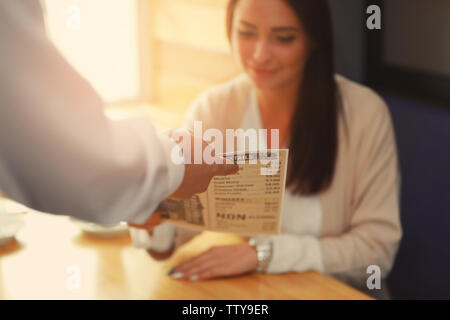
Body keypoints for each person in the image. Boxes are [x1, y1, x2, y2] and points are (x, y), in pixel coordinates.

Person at [130, 0, 402, 297]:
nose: (260, 55)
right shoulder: (214, 109)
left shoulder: (365, 115)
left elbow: (377, 250)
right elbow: (184, 223)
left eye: (283, 38)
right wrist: (150, 216)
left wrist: (263, 253)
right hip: (256, 293)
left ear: (313, 39)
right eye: (246, 33)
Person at [0, 1, 238, 226]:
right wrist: (171, 166)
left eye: (278, 37)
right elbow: (49, 139)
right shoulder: (212, 106)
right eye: (246, 33)